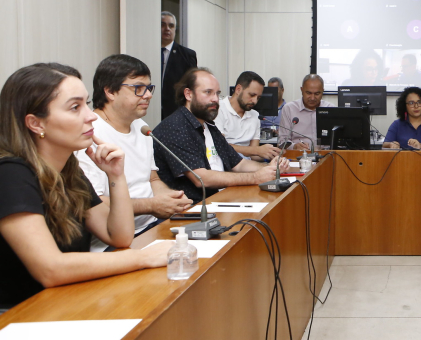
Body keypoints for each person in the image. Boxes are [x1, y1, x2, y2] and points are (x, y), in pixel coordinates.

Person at [0, 63, 171, 310]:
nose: (91, 115)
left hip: (62, 302)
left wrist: (116, 175)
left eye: (86, 104)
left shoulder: (69, 169)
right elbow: (50, 269)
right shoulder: (11, 173)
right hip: (18, 314)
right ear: (36, 124)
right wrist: (142, 257)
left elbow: (119, 236)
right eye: (74, 107)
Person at [75, 55, 192, 252]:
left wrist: (173, 199)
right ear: (110, 92)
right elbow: (97, 202)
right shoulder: (89, 134)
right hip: (111, 243)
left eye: (149, 88)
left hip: (152, 226)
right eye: (138, 88)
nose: (148, 95)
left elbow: (152, 180)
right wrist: (152, 205)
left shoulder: (141, 127)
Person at [152, 68, 289, 202]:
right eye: (208, 92)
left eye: (217, 94)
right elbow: (201, 179)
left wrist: (270, 168)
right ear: (188, 94)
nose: (215, 99)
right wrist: (255, 177)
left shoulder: (209, 125)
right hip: (193, 208)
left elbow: (239, 164)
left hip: (220, 198)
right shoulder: (176, 127)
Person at [214, 71, 281, 161]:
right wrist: (257, 150)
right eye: (252, 95)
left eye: (258, 97)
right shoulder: (218, 109)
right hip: (224, 165)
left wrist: (271, 155)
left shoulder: (255, 116)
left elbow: (254, 155)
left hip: (247, 166)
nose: (255, 101)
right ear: (238, 89)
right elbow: (220, 146)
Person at [279, 74, 335, 151]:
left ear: (322, 91)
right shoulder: (289, 109)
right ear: (301, 90)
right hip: (298, 156)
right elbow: (282, 142)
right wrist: (294, 146)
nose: (312, 98)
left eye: (317, 94)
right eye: (308, 93)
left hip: (325, 155)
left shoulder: (331, 109)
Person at [161, 11, 197, 118]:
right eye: (163, 25)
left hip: (175, 112)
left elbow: (191, 85)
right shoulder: (148, 52)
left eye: (171, 26)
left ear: (175, 30)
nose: (167, 28)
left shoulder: (187, 55)